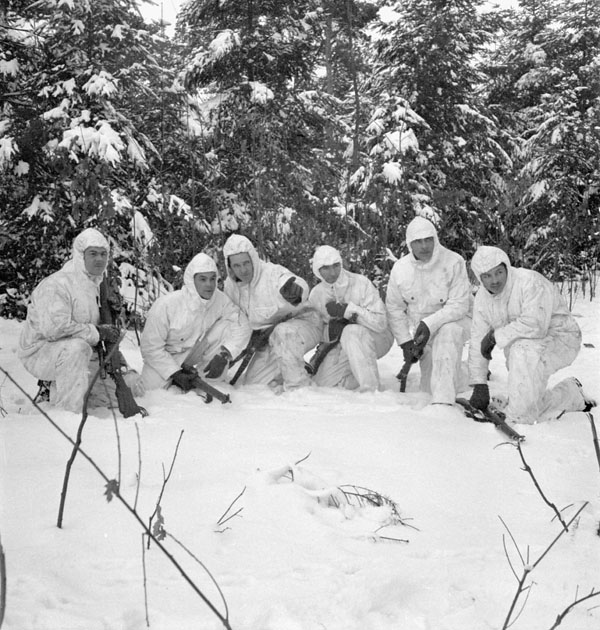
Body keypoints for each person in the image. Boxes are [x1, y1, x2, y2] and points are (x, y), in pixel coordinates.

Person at [468, 245, 594, 424]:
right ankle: (571, 393)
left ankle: (519, 417)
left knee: (522, 357)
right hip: (523, 346)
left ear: (506, 268)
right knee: (527, 397)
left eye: (498, 272)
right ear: (480, 278)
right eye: (487, 276)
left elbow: (535, 325)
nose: (494, 280)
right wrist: (479, 382)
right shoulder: (482, 298)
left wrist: (496, 336)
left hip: (562, 338)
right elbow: (476, 339)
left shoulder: (529, 281)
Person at [18, 227, 128, 413]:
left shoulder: (97, 286)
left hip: (79, 352)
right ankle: (67, 414)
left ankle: (56, 389)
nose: (99, 259)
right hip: (40, 352)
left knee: (131, 387)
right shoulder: (57, 284)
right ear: (80, 256)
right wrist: (99, 332)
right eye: (93, 253)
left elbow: (100, 329)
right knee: (76, 348)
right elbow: (54, 330)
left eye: (103, 254)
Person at [385, 216, 471, 405]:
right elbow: (394, 308)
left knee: (447, 337)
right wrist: (405, 342)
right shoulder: (400, 269)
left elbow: (459, 305)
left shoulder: (454, 262)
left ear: (435, 239)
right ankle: (465, 373)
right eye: (418, 241)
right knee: (429, 387)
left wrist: (430, 323)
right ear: (409, 244)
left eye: (428, 239)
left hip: (456, 322)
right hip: (422, 334)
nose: (424, 246)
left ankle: (443, 404)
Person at [222, 234, 321, 391]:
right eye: (237, 265)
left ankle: (299, 389)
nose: (243, 270)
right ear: (230, 267)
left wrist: (295, 291)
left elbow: (294, 282)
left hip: (305, 324)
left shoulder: (272, 274)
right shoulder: (230, 288)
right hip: (268, 338)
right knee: (254, 384)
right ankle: (296, 367)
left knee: (283, 333)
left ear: (253, 259)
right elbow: (236, 321)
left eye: (246, 263)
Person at [141, 253, 251, 392]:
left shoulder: (219, 299)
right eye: (203, 279)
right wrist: (175, 373)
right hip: (166, 356)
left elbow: (243, 324)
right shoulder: (167, 305)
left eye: (212, 279)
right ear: (192, 280)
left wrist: (224, 354)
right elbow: (150, 348)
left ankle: (209, 380)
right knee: (151, 394)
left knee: (227, 325)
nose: (209, 285)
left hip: (194, 353)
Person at [307, 245, 393, 391]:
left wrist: (349, 311)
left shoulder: (360, 283)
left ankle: (371, 390)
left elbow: (381, 323)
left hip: (379, 338)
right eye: (326, 268)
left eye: (336, 265)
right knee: (323, 382)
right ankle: (360, 372)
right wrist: (331, 331)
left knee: (351, 332)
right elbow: (316, 331)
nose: (333, 272)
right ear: (317, 270)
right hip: (342, 344)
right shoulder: (316, 294)